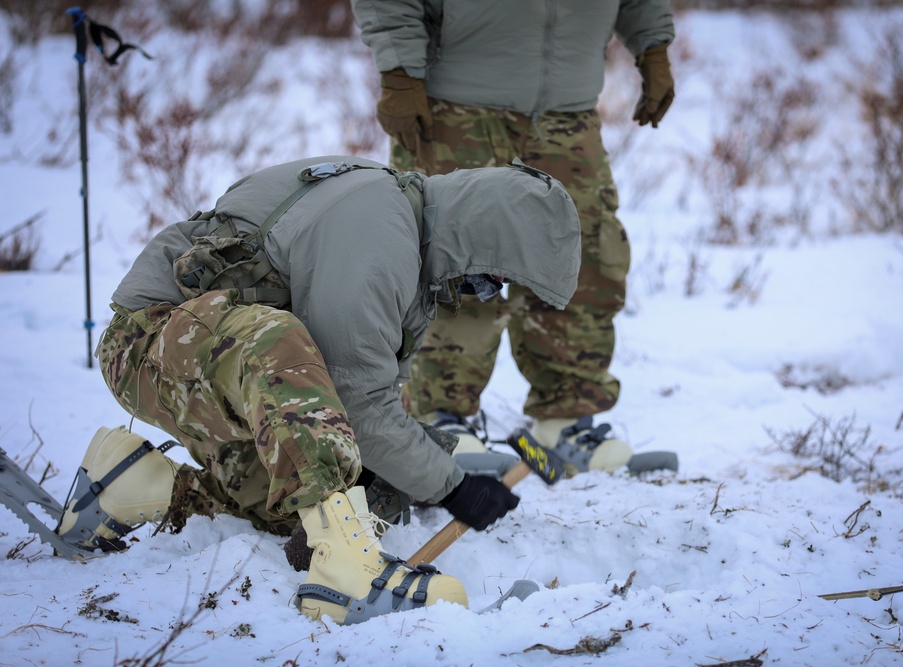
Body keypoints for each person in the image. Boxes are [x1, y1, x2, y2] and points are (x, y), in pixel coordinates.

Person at [55, 155, 581, 625]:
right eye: (489, 279)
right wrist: (453, 487)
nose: (481, 294)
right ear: (475, 240)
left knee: (330, 499)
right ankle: (348, 578)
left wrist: (437, 469)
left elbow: (355, 405)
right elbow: (358, 402)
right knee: (282, 350)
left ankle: (136, 485)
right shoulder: (379, 236)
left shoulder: (402, 227)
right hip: (148, 345)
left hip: (210, 365)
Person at [351, 0, 676, 472]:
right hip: (457, 109)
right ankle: (438, 417)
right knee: (454, 263)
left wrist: (653, 47)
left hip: (569, 114)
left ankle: (564, 423)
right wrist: (400, 69)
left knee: (584, 263)